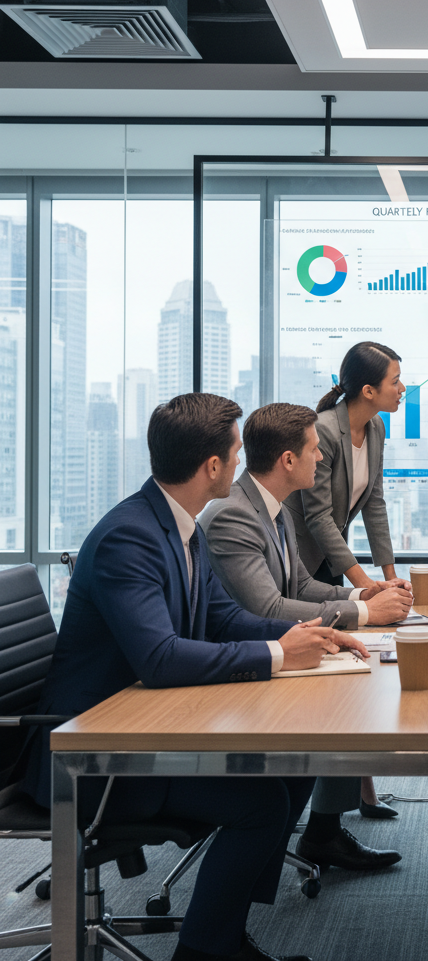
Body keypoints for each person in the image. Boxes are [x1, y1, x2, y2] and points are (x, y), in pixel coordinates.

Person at [24, 393, 368, 961]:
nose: (239, 464)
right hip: (90, 757)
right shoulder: (129, 537)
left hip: (139, 726)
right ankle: (207, 952)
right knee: (261, 806)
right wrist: (278, 657)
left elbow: (220, 617)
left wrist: (304, 639)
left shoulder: (178, 526)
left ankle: (225, 935)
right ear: (212, 466)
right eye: (234, 453)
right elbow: (159, 659)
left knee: (291, 771)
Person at [201, 402, 410, 870]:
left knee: (353, 683)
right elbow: (267, 608)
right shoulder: (234, 516)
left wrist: (363, 591)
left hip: (271, 646)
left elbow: (299, 585)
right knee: (343, 694)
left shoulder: (273, 511)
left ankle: (322, 830)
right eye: (315, 451)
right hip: (237, 663)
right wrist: (362, 612)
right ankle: (314, 833)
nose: (322, 459)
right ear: (288, 461)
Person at [285, 342, 409, 594]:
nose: (402, 389)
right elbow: (318, 516)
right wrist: (364, 585)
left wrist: (391, 577)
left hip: (331, 556)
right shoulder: (325, 429)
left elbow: (374, 503)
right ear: (368, 391)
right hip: (298, 554)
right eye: (395, 382)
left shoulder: (376, 427)